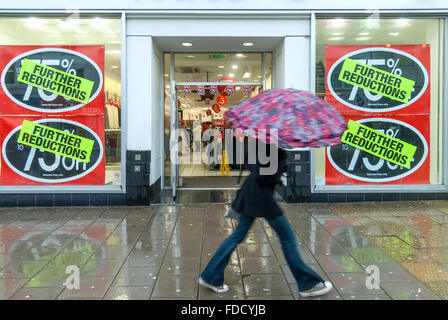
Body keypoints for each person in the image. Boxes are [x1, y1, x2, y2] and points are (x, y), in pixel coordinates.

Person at [198, 140, 333, 298]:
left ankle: (210, 276)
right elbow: (264, 175)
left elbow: (256, 167)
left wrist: (281, 160)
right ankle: (306, 283)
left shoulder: (260, 141)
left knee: (237, 236)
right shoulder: (269, 145)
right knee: (287, 238)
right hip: (262, 199)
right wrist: (281, 161)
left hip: (252, 196)